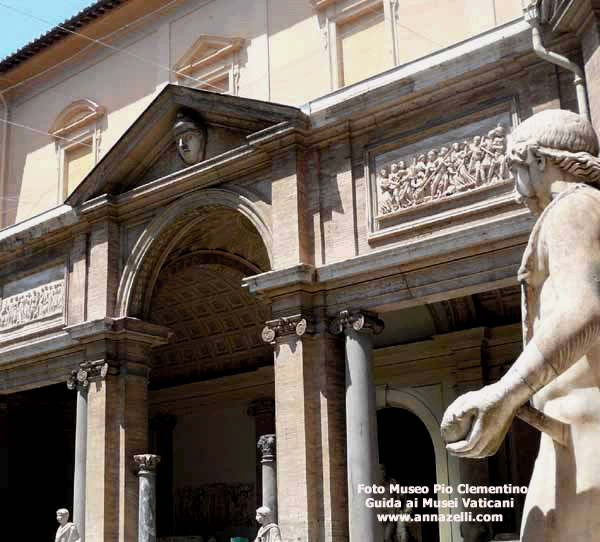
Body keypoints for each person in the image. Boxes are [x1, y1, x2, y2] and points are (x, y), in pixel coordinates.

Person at [441, 109, 600, 541]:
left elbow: (583, 309)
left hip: (586, 438)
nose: (516, 191)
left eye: (514, 170)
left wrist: (503, 393)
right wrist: (516, 404)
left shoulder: (575, 207)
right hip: (573, 433)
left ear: (536, 161)